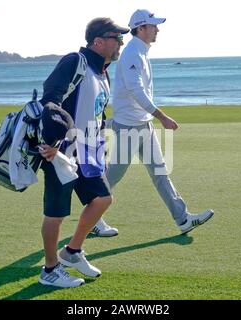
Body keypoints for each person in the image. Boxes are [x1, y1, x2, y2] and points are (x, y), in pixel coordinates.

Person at [92, 9, 214, 237]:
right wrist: (163, 116)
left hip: (142, 124)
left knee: (160, 172)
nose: (157, 29)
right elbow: (136, 90)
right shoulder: (131, 54)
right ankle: (92, 219)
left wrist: (152, 118)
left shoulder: (141, 52)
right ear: (141, 28)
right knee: (112, 177)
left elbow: (139, 91)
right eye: (153, 25)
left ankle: (183, 218)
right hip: (128, 126)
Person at [36, 17, 129, 288]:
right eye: (117, 38)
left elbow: (96, 112)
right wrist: (52, 141)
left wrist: (100, 139)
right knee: (56, 213)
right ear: (98, 41)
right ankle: (50, 270)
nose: (121, 43)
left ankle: (72, 252)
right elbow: (50, 98)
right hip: (61, 151)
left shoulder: (102, 71)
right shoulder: (74, 62)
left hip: (89, 151)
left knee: (102, 199)